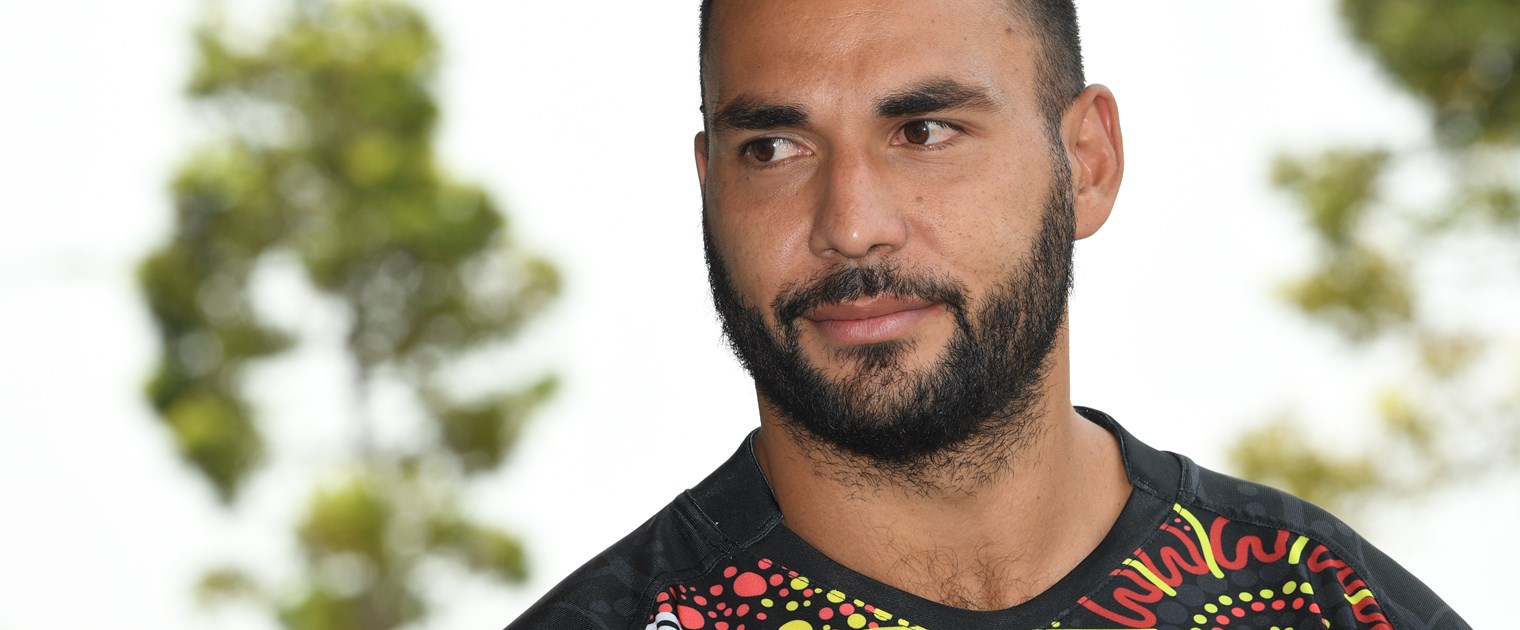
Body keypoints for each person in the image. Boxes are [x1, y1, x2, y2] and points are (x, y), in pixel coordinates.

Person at [510, 1, 1469, 628]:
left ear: (1087, 163)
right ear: (709, 184)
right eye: (773, 148)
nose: (851, 226)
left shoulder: (1323, 602)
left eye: (924, 131)